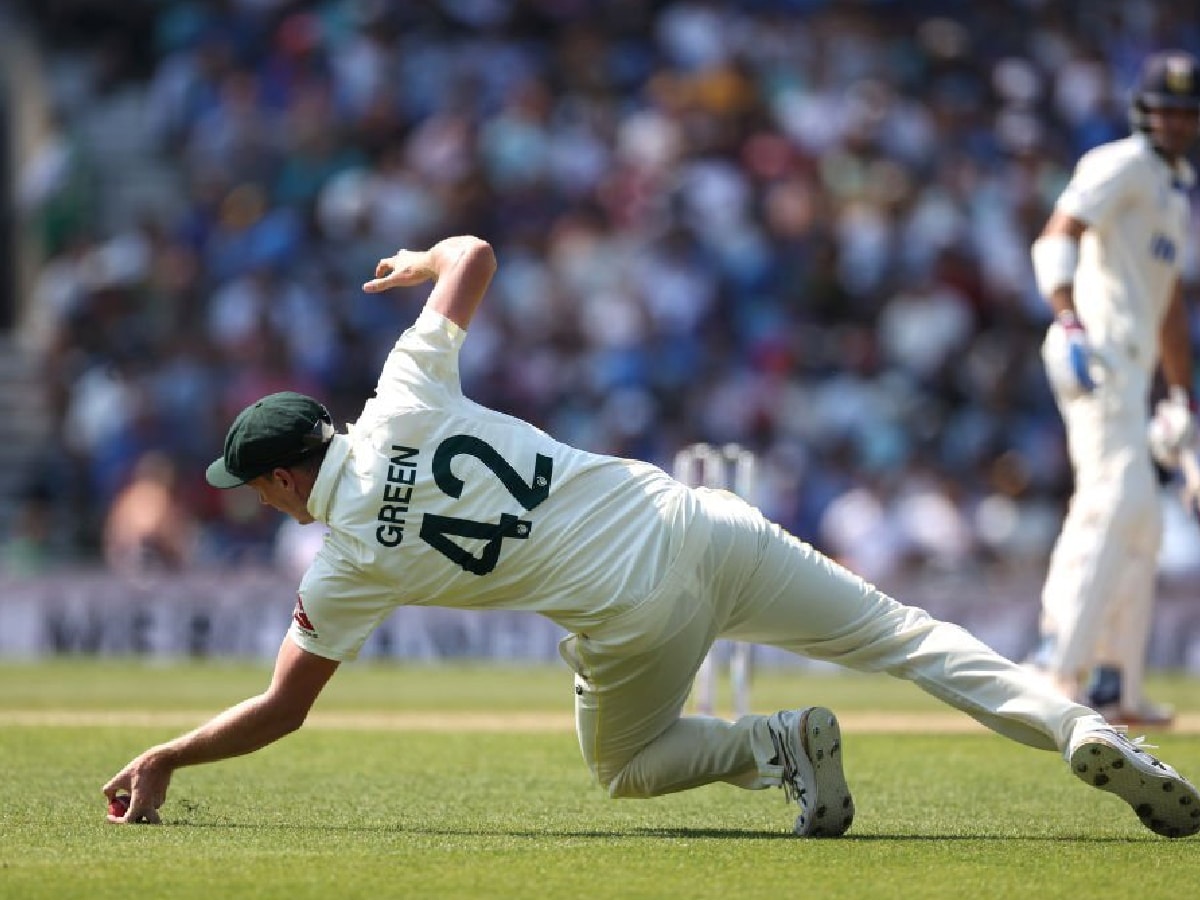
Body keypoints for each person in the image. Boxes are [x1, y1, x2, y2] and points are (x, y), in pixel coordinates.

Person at [103, 234, 1200, 839]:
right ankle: (1080, 733)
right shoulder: (401, 393)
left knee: (625, 768)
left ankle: (772, 746)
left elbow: (283, 710)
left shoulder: (346, 560)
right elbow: (479, 252)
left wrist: (169, 755)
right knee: (909, 636)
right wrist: (417, 262)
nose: (257, 500)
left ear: (292, 471)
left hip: (631, 619)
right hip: (698, 518)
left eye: (257, 485)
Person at [1028, 50, 1200, 727]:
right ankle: (1053, 662)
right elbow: (1056, 235)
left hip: (1132, 371)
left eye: (1189, 112)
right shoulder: (1119, 163)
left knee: (1145, 519)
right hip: (1091, 351)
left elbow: (1165, 305)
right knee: (1116, 495)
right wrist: (1067, 318)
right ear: (1143, 111)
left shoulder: (1174, 189)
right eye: (1168, 109)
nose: (1179, 122)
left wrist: (1183, 395)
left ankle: (1113, 684)